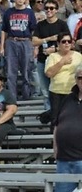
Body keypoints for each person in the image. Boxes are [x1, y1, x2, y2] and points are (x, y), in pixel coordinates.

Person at [32, 0, 70, 110]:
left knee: (59, 89)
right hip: (42, 60)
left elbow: (68, 42)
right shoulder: (40, 25)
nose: (49, 10)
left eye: (51, 8)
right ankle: (49, 115)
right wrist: (48, 39)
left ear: (56, 10)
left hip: (58, 60)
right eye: (47, 8)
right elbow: (34, 41)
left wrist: (54, 50)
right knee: (45, 91)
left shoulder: (62, 25)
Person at [0, 0, 37, 100]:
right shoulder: (8, 12)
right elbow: (4, 30)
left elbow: (34, 30)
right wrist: (2, 46)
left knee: (26, 70)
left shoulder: (29, 13)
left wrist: (34, 46)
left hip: (25, 41)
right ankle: (12, 98)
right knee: (11, 72)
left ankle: (26, 97)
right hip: (11, 41)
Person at [53, 64, 82, 192]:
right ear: (76, 79)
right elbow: (57, 124)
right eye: (80, 77)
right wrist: (55, 149)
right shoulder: (67, 99)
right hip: (63, 160)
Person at [45, 32, 82, 124]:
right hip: (57, 93)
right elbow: (49, 73)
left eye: (69, 41)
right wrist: (62, 62)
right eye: (64, 41)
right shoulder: (52, 57)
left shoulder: (79, 56)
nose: (66, 43)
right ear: (58, 44)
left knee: (74, 118)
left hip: (74, 93)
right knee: (56, 120)